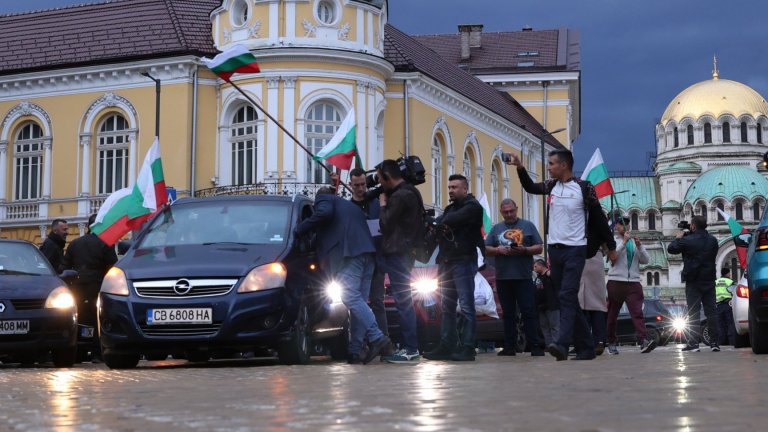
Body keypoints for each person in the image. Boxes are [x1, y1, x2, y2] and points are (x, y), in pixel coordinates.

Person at [508, 149, 617, 361]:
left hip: (575, 250)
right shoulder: (552, 186)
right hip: (555, 251)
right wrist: (520, 167)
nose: (548, 167)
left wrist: (611, 247)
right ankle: (586, 347)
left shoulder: (584, 188)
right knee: (566, 300)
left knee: (567, 295)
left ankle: (563, 344)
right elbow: (530, 187)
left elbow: (598, 219)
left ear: (564, 165)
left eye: (551, 164)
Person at [295, 187, 394, 364]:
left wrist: (300, 229)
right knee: (358, 303)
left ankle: (377, 338)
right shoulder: (349, 208)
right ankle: (355, 350)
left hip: (351, 254)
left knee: (349, 296)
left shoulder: (325, 200)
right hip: (367, 255)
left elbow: (324, 213)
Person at [424, 174, 484, 362]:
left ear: (465, 189)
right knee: (447, 307)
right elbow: (441, 222)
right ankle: (447, 344)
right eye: (449, 187)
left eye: (455, 187)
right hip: (447, 261)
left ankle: (467, 347)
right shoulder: (450, 208)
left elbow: (452, 219)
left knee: (466, 306)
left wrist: (438, 222)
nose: (450, 190)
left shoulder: (473, 207)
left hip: (463, 261)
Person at [377, 160, 425, 363]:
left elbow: (386, 223)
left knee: (403, 301)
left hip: (398, 252)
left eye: (380, 179)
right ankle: (410, 346)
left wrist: (382, 205)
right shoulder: (411, 192)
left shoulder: (399, 196)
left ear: (388, 177)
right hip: (406, 251)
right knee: (404, 300)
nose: (379, 183)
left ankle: (410, 348)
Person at [484, 199, 545, 356]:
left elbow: (539, 246)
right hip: (503, 277)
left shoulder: (528, 225)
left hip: (523, 276)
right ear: (501, 212)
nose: (509, 214)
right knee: (508, 313)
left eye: (511, 211)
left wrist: (524, 250)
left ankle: (535, 345)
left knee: (528, 311)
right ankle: (509, 346)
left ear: (516, 209)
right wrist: (498, 250)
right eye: (505, 212)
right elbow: (485, 248)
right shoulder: (496, 228)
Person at [62, 214, 118, 359]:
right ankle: (97, 353)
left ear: (88, 227)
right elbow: (112, 267)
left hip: (77, 288)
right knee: (97, 319)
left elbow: (64, 267)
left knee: (78, 318)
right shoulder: (106, 243)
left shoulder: (75, 243)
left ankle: (78, 352)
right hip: (98, 287)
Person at [667, 215, 720, 352]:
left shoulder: (687, 241)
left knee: (693, 313)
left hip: (693, 280)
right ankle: (714, 343)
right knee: (711, 312)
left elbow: (671, 249)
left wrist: (679, 237)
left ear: (693, 226)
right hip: (709, 279)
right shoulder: (713, 240)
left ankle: (693, 344)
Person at [605, 217, 655, 354]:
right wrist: (624, 242)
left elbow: (645, 260)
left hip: (633, 282)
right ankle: (611, 342)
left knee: (637, 312)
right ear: (616, 227)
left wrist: (639, 246)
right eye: (622, 224)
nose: (625, 227)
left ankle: (643, 340)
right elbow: (613, 258)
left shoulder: (634, 242)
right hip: (616, 281)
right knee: (612, 314)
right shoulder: (613, 241)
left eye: (626, 224)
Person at [348, 168, 388, 338]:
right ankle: (361, 341)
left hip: (376, 258)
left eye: (363, 184)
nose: (360, 188)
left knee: (377, 301)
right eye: (356, 185)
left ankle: (383, 340)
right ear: (350, 185)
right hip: (356, 262)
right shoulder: (348, 207)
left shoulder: (375, 204)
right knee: (357, 303)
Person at [579, 246, 609, 355]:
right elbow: (609, 244)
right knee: (598, 304)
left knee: (583, 303)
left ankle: (584, 343)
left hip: (582, 257)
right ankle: (599, 340)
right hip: (597, 257)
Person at [534, 259, 559, 347]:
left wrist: (549, 272)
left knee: (554, 326)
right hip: (541, 306)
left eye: (536, 266)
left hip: (551, 305)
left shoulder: (549, 275)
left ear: (541, 266)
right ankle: (549, 345)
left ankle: (556, 344)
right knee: (544, 327)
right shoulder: (538, 277)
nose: (534, 268)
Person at [715, 267, 735, 346]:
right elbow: (733, 292)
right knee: (729, 323)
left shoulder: (716, 282)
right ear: (727, 273)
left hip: (718, 305)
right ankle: (731, 341)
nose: (730, 274)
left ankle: (722, 342)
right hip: (728, 304)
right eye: (729, 273)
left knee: (720, 324)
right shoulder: (730, 281)